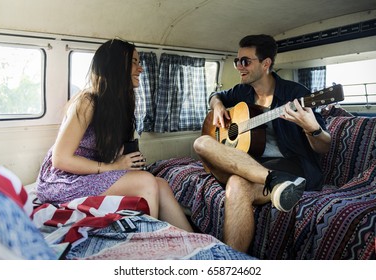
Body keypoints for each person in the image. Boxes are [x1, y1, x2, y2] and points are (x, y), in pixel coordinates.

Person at [36, 39, 193, 232]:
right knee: (146, 181)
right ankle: (148, 241)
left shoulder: (120, 104)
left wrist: (123, 160)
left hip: (90, 172)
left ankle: (192, 238)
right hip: (64, 179)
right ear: (116, 66)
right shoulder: (87, 102)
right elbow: (60, 160)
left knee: (160, 184)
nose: (140, 69)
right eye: (134, 62)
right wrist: (113, 167)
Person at [193, 34, 331, 252]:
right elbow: (215, 94)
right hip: (252, 164)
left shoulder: (296, 94)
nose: (239, 66)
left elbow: (325, 145)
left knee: (236, 184)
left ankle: (232, 263)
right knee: (202, 143)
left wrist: (311, 128)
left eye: (245, 61)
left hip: (291, 165)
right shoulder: (242, 91)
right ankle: (276, 182)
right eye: (237, 61)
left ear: (266, 64)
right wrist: (217, 105)